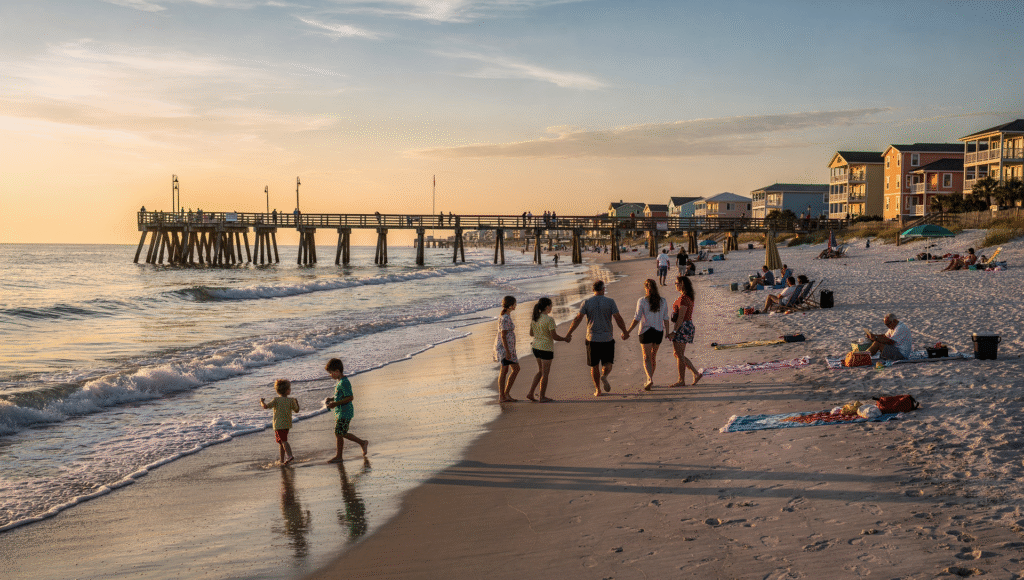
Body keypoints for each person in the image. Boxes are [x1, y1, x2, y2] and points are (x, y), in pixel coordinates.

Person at [565, 280, 629, 397]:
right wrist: (625, 332)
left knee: (594, 366)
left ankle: (597, 390)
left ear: (593, 290)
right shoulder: (610, 302)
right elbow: (618, 318)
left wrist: (569, 333)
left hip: (592, 339)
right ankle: (604, 376)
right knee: (608, 363)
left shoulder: (586, 302)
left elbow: (577, 319)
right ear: (603, 289)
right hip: (607, 338)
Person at [623, 279, 671, 390]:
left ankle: (649, 379)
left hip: (646, 332)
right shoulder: (663, 301)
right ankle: (650, 379)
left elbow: (637, 318)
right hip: (658, 332)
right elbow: (666, 318)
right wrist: (667, 332)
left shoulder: (642, 301)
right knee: (653, 357)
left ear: (646, 288)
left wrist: (628, 331)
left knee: (646, 357)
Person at [323, 358, 369, 462]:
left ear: (337, 371)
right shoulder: (340, 382)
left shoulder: (344, 382)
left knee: (340, 433)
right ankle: (341, 455)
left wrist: (335, 404)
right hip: (341, 412)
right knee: (339, 433)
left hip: (345, 412)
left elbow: (350, 397)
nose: (330, 375)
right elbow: (341, 396)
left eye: (331, 373)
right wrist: (332, 399)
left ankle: (361, 443)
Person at [526, 297, 570, 402]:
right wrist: (565, 339)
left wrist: (540, 333)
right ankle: (542, 396)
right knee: (545, 373)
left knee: (540, 371)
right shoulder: (549, 320)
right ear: (547, 307)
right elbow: (554, 336)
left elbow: (531, 334)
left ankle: (531, 393)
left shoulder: (535, 318)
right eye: (551, 306)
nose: (551, 308)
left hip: (536, 347)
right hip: (546, 348)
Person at [669, 276, 702, 386]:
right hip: (686, 326)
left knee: (679, 354)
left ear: (682, 284)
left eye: (677, 283)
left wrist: (674, 332)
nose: (675, 285)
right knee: (678, 354)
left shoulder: (684, 299)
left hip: (683, 326)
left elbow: (681, 317)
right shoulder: (688, 297)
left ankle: (681, 380)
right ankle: (696, 374)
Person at [260, 379, 300, 465]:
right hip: (287, 424)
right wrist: (297, 403)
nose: (290, 390)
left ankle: (289, 455)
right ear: (287, 390)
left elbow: (266, 406)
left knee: (283, 441)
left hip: (278, 424)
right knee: (281, 442)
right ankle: (282, 460)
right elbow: (297, 410)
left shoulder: (276, 400)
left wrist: (262, 402)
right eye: (289, 388)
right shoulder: (291, 400)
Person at [494, 296, 520, 402]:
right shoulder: (505, 318)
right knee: (507, 370)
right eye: (514, 303)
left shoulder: (506, 316)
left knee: (510, 369)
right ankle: (503, 395)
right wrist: (508, 352)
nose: (516, 305)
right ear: (510, 306)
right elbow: (503, 335)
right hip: (505, 349)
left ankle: (505, 394)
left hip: (509, 348)